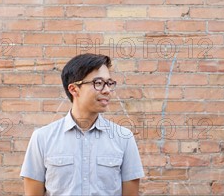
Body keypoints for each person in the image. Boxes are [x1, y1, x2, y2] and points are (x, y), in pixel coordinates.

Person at [20, 53, 144, 196]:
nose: (107, 90)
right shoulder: (42, 138)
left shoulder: (124, 138)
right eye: (98, 83)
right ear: (74, 89)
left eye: (109, 83)